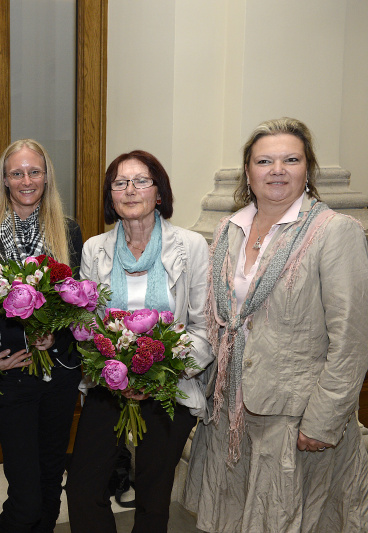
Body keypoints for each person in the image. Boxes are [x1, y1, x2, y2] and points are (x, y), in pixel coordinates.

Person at [182, 117, 368, 532]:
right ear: (248, 172)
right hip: (232, 414)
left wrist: (323, 420)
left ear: (308, 170)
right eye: (264, 160)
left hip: (295, 419)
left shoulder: (335, 232)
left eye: (291, 159)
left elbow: (351, 342)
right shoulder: (229, 230)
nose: (277, 170)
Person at [64, 150, 211, 532]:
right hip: (109, 381)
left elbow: (203, 328)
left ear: (159, 192)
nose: (130, 190)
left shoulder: (191, 246)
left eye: (141, 181)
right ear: (111, 196)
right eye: (119, 183)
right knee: (83, 487)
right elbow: (87, 323)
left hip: (170, 384)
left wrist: (157, 375)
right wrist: (116, 374)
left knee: (153, 493)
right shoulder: (96, 248)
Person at [0, 139, 83, 533]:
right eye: (17, 173)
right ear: (5, 180)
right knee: (25, 493)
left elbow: (78, 300)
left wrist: (54, 334)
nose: (26, 180)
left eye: (34, 171)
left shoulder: (68, 230)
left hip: (58, 376)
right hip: (11, 376)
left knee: (51, 482)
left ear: (46, 177)